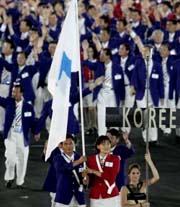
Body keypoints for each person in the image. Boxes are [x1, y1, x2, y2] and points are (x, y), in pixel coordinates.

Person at [0, 82, 35, 188]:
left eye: (16, 92)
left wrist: (36, 132)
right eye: (13, 91)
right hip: (10, 135)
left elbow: (32, 122)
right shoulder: (8, 102)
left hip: (22, 136)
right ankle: (10, 177)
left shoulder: (28, 107)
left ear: (21, 93)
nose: (13, 93)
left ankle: (19, 181)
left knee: (22, 159)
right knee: (10, 158)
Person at [53, 134, 87, 207]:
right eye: (66, 144)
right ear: (61, 146)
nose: (69, 146)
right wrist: (78, 161)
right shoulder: (58, 158)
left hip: (79, 196)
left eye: (71, 143)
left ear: (74, 144)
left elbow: (84, 174)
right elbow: (62, 169)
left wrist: (85, 180)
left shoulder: (80, 157)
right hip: (63, 196)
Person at [87, 135, 121, 207]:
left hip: (111, 194)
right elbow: (90, 178)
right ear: (98, 146)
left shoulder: (115, 159)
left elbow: (111, 177)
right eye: (103, 144)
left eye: (108, 144)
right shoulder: (91, 159)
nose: (106, 146)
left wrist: (94, 171)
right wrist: (85, 179)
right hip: (96, 196)